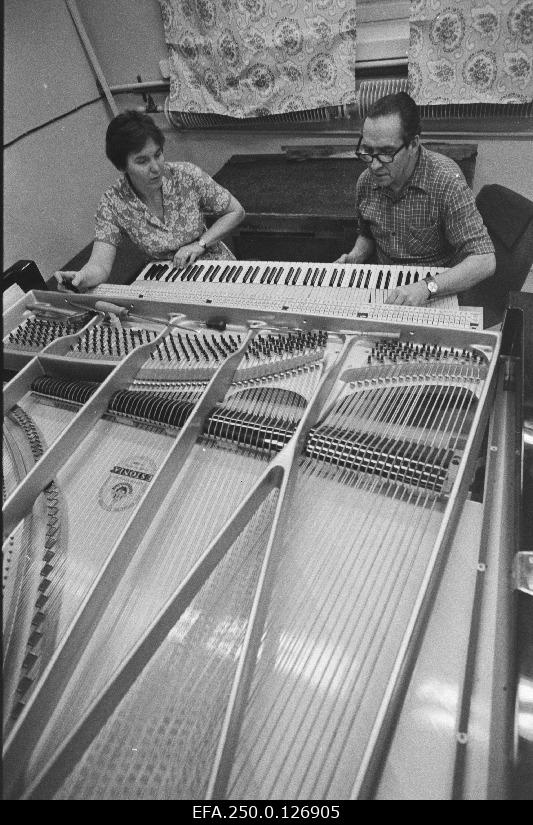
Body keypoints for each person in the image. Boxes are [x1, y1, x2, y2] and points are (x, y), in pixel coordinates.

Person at [55, 110, 245, 292]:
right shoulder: (112, 202)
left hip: (216, 267)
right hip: (166, 280)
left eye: (158, 154)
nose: (156, 167)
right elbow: (100, 265)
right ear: (122, 165)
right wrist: (81, 278)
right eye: (142, 161)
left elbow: (236, 211)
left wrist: (200, 244)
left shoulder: (186, 175)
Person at [336, 92, 496, 306]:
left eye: (386, 152)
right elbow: (367, 235)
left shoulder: (446, 181)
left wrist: (426, 287)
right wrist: (355, 256)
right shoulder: (366, 182)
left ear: (413, 144)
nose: (374, 165)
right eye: (367, 150)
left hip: (435, 289)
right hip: (387, 287)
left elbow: (484, 260)